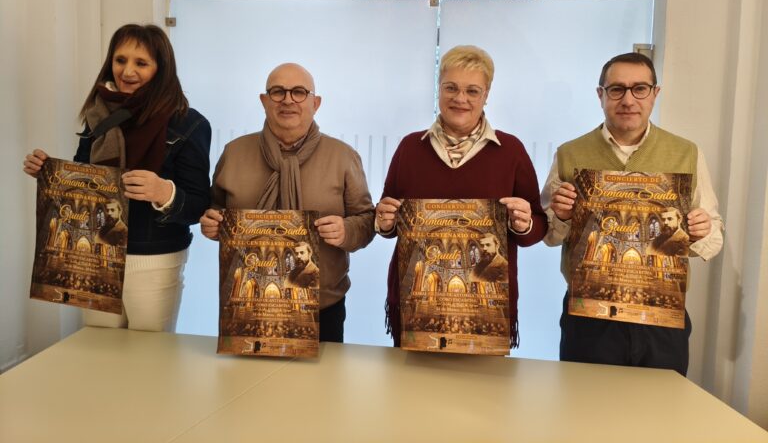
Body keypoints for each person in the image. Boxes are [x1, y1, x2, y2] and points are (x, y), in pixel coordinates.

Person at [541, 51, 723, 375]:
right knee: (585, 410)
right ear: (601, 95)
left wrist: (699, 230)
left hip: (662, 318)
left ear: (655, 94)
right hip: (589, 319)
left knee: (659, 415)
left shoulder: (686, 153)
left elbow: (713, 236)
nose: (628, 99)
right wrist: (563, 217)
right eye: (617, 89)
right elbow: (550, 235)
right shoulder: (570, 154)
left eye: (640, 88)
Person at [23, 23, 211, 332]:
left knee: (149, 357)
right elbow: (83, 181)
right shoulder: (98, 115)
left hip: (153, 258)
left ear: (161, 69)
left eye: (141, 63)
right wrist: (48, 174)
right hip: (94, 251)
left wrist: (165, 192)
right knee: (99, 351)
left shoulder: (188, 122)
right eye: (120, 60)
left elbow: (198, 205)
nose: (127, 71)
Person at [375, 45, 547, 347]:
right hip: (417, 301)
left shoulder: (511, 151)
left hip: (485, 307)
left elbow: (538, 227)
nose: (460, 98)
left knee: (483, 394)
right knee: (410, 391)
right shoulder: (410, 148)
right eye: (451, 88)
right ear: (438, 90)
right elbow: (389, 222)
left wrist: (524, 224)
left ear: (486, 95)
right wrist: (385, 220)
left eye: (472, 90)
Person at [199, 63, 375, 343]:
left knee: (317, 387)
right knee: (244, 385)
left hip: (321, 308)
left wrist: (346, 230)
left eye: (299, 92)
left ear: (315, 103)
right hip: (247, 304)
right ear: (264, 101)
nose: (288, 100)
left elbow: (367, 220)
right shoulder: (234, 153)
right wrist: (211, 224)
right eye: (278, 92)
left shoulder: (343, 157)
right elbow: (216, 211)